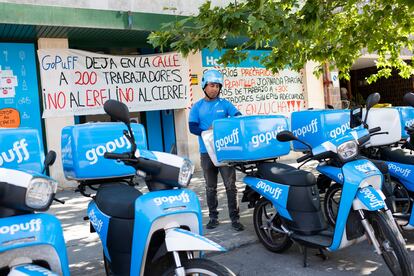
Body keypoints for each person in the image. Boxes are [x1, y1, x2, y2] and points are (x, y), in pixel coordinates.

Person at [188, 69, 244, 231]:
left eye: (217, 86)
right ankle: (213, 217)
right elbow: (192, 127)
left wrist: (225, 125)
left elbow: (237, 116)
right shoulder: (197, 107)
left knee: (230, 186)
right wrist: (207, 131)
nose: (214, 89)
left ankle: (235, 218)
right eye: (211, 85)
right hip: (206, 153)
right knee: (210, 187)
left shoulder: (225, 104)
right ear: (204, 86)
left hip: (226, 151)